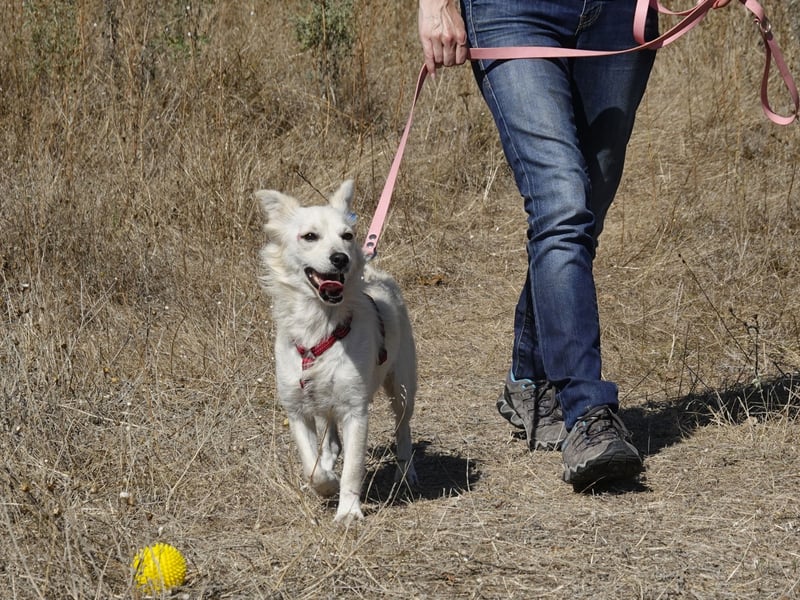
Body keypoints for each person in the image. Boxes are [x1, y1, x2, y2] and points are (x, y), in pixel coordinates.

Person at [417, 0, 732, 489]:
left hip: (619, 15)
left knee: (583, 210)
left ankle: (529, 377)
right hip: (511, 11)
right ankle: (587, 412)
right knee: (562, 203)